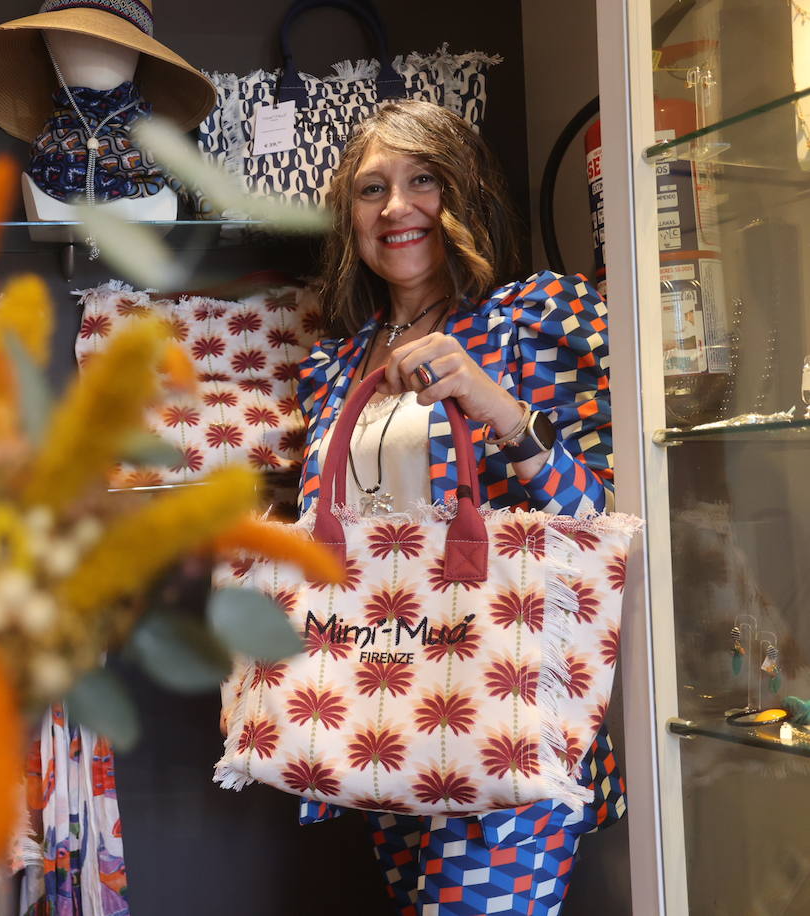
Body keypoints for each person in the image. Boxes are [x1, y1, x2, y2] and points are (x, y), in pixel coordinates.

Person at [295, 99, 621, 916]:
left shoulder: (531, 321)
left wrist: (492, 401)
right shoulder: (336, 367)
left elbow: (599, 513)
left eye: (423, 180)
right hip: (379, 708)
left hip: (499, 703)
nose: (396, 207)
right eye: (372, 189)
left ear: (466, 194)